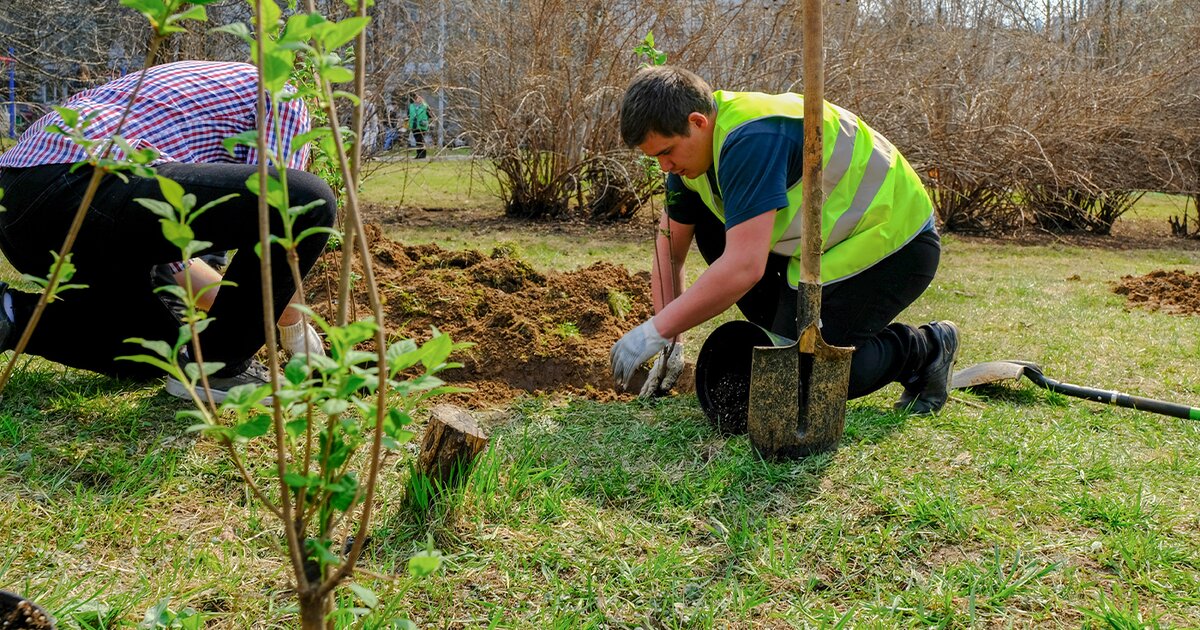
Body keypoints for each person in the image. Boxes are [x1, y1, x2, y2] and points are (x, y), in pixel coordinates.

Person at [610, 65, 959, 415]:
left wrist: (654, 329)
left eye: (666, 152)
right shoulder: (689, 162)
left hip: (894, 238)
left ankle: (925, 349)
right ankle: (784, 337)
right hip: (822, 244)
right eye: (654, 158)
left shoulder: (752, 139)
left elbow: (744, 266)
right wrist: (671, 342)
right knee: (712, 228)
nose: (664, 167)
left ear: (698, 122)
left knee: (812, 374)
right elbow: (670, 253)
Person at [0, 60, 336, 402]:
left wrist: (227, 323)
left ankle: (9, 313)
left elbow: (177, 267)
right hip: (83, 173)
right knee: (309, 199)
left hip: (18, 204)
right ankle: (220, 369)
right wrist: (292, 326)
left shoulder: (194, 109)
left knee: (157, 350)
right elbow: (284, 213)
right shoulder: (284, 95)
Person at [405, 93, 430, 159]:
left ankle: (422, 154)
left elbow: (430, 115)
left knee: (420, 139)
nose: (419, 99)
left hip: (422, 125)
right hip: (414, 125)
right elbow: (408, 115)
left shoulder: (425, 106)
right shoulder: (411, 106)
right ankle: (420, 154)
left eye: (420, 98)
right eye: (417, 98)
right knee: (417, 139)